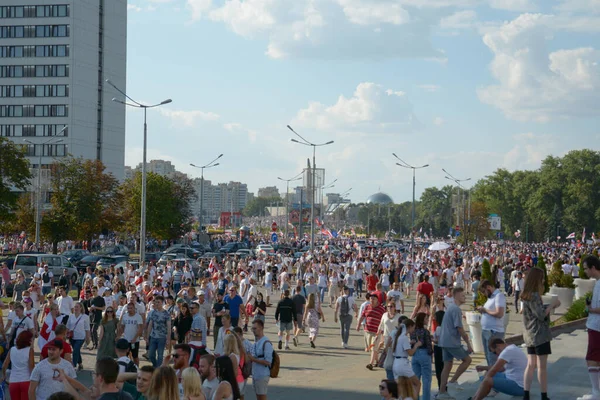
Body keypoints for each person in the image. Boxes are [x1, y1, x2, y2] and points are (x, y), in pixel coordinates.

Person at [521, 267, 560, 400]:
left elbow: (532, 312)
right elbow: (541, 315)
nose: (543, 280)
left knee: (530, 364)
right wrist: (552, 305)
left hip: (529, 333)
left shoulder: (525, 294)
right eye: (542, 278)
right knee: (542, 367)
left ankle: (526, 394)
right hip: (540, 334)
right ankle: (544, 396)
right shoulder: (535, 295)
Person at [437, 287, 473, 400]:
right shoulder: (456, 309)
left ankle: (442, 392)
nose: (464, 297)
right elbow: (459, 328)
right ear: (456, 296)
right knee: (467, 360)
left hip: (444, 341)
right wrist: (468, 343)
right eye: (462, 295)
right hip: (451, 341)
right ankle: (453, 381)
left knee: (447, 365)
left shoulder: (451, 307)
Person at [579, 254, 600, 400]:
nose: (585, 272)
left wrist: (590, 309)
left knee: (592, 358)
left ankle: (596, 392)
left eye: (586, 269)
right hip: (595, 325)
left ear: (593, 268)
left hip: (597, 326)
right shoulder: (597, 283)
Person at [477, 279, 506, 366]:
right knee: (488, 356)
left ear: (488, 287)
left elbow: (499, 313)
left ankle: (495, 377)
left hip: (494, 331)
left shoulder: (498, 296)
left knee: (492, 357)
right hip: (487, 330)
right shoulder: (491, 297)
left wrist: (485, 310)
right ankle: (491, 376)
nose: (484, 294)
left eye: (484, 291)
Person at [390, 319, 422, 396]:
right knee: (417, 384)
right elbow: (410, 353)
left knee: (400, 387)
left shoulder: (398, 336)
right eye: (413, 328)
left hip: (396, 363)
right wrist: (416, 345)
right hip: (403, 364)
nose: (413, 330)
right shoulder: (404, 337)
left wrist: (410, 343)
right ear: (410, 327)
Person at [2, 331, 34, 400]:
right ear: (28, 340)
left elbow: (4, 365)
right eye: (31, 339)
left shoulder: (12, 349)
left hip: (13, 381)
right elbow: (31, 367)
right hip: (26, 381)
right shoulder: (30, 350)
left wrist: (4, 376)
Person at [357, 293, 385, 370]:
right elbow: (362, 316)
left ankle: (371, 364)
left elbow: (384, 320)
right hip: (367, 331)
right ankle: (378, 361)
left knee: (373, 347)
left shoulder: (381, 309)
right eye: (371, 299)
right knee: (371, 348)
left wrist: (383, 332)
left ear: (377, 300)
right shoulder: (367, 307)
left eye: (374, 299)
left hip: (377, 332)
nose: (372, 300)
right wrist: (358, 325)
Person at [411, 312, 433, 400]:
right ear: (422, 320)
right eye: (426, 319)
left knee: (416, 379)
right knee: (426, 380)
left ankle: (415, 397)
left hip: (415, 354)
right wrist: (431, 353)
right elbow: (428, 345)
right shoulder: (425, 331)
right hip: (424, 353)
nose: (427, 320)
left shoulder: (413, 331)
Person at [248, 319, 272, 400]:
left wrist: (253, 359)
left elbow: (268, 362)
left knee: (262, 397)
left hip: (262, 375)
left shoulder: (266, 342)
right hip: (255, 374)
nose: (253, 331)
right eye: (252, 329)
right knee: (259, 397)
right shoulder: (256, 342)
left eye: (255, 328)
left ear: (261, 328)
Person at [146, 295, 172, 367]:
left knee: (160, 355)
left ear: (162, 303)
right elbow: (150, 325)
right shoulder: (153, 312)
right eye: (156, 302)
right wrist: (147, 337)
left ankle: (157, 370)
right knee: (151, 355)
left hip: (162, 337)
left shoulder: (166, 314)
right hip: (153, 336)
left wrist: (168, 339)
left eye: (159, 302)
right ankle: (155, 366)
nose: (157, 304)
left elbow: (169, 327)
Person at [67, 301, 91, 371]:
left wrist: (88, 338)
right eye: (75, 307)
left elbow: (87, 329)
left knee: (75, 350)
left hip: (81, 337)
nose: (75, 308)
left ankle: (73, 366)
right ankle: (80, 364)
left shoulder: (85, 317)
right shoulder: (71, 316)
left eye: (77, 307)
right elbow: (67, 326)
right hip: (72, 337)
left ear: (81, 308)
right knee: (76, 350)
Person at [118, 302, 143, 366]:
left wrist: (135, 338)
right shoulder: (125, 316)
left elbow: (140, 328)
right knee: (124, 356)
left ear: (134, 308)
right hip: (126, 340)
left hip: (134, 341)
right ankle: (125, 368)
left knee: (135, 356)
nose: (129, 310)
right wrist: (118, 336)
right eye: (128, 308)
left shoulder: (138, 317)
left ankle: (136, 369)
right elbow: (123, 327)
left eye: (131, 308)